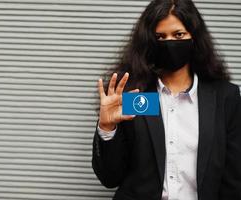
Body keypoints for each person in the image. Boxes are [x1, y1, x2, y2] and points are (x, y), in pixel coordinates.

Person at [92, 0, 241, 200]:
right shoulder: (134, 95)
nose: (170, 43)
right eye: (160, 37)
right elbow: (110, 178)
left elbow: (233, 181)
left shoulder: (225, 97)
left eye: (178, 35)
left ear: (194, 37)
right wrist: (107, 128)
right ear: (149, 41)